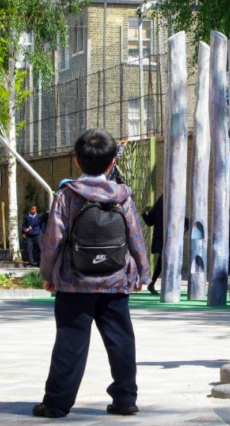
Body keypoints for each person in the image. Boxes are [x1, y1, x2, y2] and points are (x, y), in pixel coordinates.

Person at [34, 128, 151, 419]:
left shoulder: (67, 195)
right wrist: (143, 273)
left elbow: (53, 238)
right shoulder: (123, 196)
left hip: (74, 283)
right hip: (115, 281)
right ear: (112, 162)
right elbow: (136, 236)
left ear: (76, 161)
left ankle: (57, 404)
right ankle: (125, 399)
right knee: (121, 340)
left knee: (70, 341)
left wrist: (47, 273)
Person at [140, 195, 189, 295]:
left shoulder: (159, 206)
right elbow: (150, 222)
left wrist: (144, 213)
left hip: (165, 238)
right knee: (164, 261)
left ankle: (153, 284)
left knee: (162, 262)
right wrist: (144, 213)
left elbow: (150, 222)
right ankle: (161, 285)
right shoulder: (161, 208)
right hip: (163, 238)